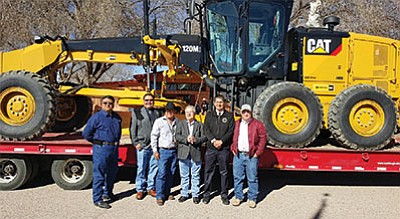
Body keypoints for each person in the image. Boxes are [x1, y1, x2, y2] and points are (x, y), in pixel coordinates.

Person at [82, 95, 122, 209]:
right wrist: (97, 142)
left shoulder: (117, 117)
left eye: (110, 103)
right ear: (101, 104)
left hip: (113, 149)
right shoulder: (96, 117)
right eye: (105, 103)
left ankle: (108, 193)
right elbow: (86, 134)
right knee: (99, 174)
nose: (108, 105)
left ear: (113, 105)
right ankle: (97, 199)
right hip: (101, 148)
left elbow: (118, 133)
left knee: (112, 172)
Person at [230, 104, 267, 208]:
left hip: (251, 155)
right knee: (237, 177)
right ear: (241, 113)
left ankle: (252, 198)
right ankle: (238, 197)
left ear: (251, 113)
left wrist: (257, 153)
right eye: (244, 112)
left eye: (248, 112)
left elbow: (263, 138)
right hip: (238, 154)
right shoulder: (237, 123)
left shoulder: (258, 124)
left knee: (252, 178)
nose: (246, 114)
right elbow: (233, 136)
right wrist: (233, 147)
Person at [202, 95, 234, 205]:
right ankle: (206, 194)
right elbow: (206, 129)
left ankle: (224, 195)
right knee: (208, 171)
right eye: (217, 102)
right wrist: (213, 140)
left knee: (224, 172)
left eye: (221, 102)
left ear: (224, 103)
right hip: (211, 149)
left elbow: (230, 131)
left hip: (223, 149)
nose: (219, 104)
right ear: (214, 103)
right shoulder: (209, 115)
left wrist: (221, 142)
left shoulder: (229, 116)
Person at [130, 93, 160, 200]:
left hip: (154, 146)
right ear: (143, 101)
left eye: (151, 100)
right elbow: (133, 129)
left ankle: (150, 187)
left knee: (154, 167)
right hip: (142, 145)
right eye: (146, 100)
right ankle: (140, 189)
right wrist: (135, 143)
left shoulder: (157, 113)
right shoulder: (137, 112)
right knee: (141, 168)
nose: (149, 102)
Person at [175, 105, 207, 204]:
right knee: (184, 175)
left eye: (191, 112)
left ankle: (195, 194)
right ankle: (184, 193)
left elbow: (205, 137)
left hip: (195, 152)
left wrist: (196, 140)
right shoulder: (180, 124)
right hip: (183, 152)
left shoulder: (200, 125)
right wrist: (186, 139)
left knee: (195, 175)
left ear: (194, 113)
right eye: (187, 112)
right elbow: (176, 136)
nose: (189, 114)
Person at [151, 102, 179, 206]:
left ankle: (167, 192)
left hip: (174, 150)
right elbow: (154, 136)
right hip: (163, 150)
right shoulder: (159, 122)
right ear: (165, 111)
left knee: (171, 173)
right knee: (162, 173)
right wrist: (155, 150)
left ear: (174, 111)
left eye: (171, 110)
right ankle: (159, 195)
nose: (169, 112)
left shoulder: (177, 122)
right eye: (167, 110)